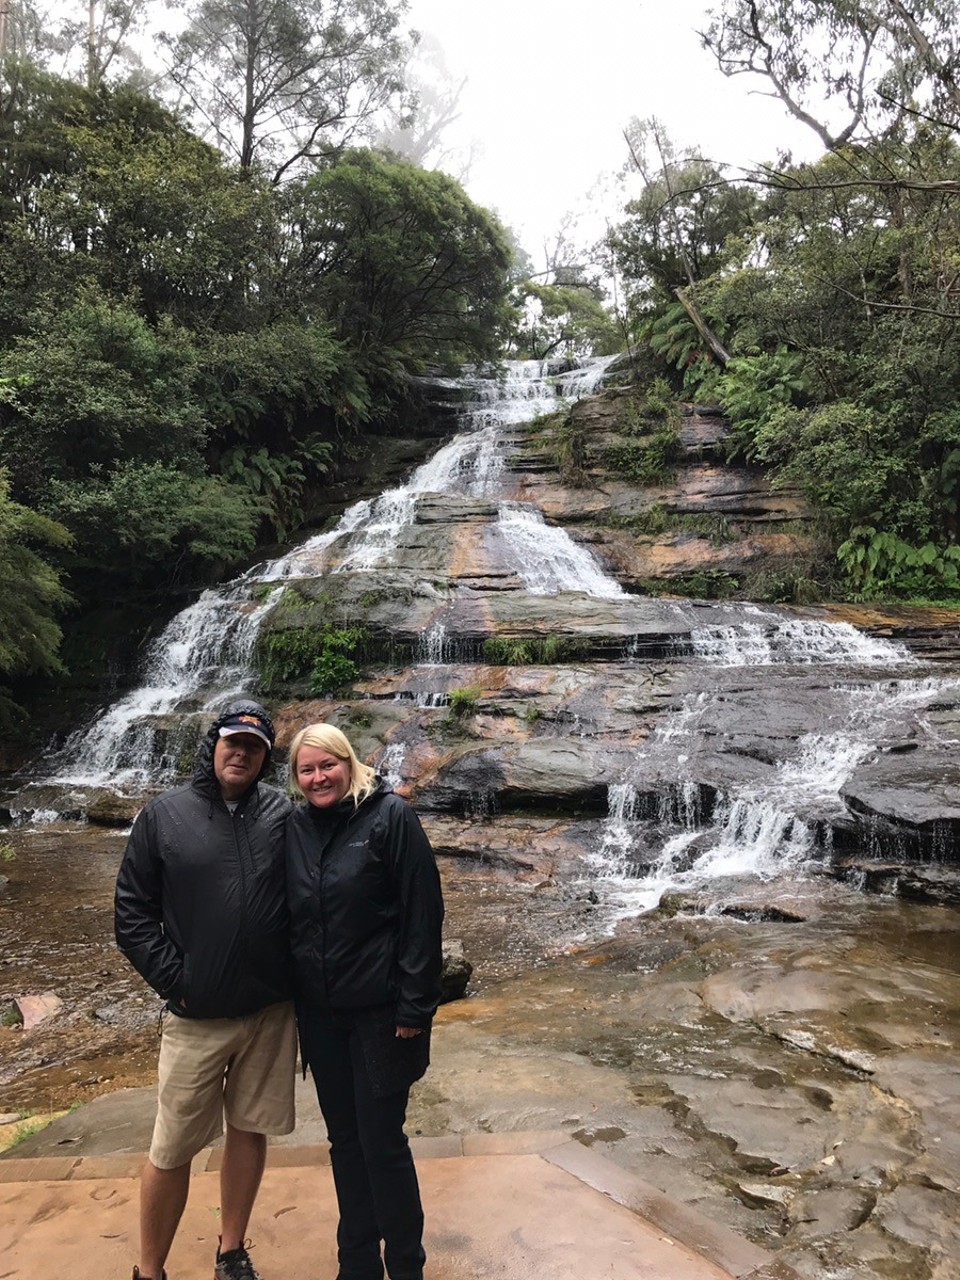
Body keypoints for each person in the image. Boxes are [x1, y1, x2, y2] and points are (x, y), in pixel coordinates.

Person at [114, 699, 296, 1280]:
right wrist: (177, 980)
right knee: (171, 1148)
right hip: (196, 1016)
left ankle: (231, 1249)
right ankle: (149, 1268)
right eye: (232, 741)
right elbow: (132, 914)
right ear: (213, 744)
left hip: (269, 1012)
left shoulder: (283, 814)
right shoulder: (164, 816)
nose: (240, 752)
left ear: (266, 757)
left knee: (249, 1130)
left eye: (254, 746)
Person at [286, 723, 444, 1280]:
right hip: (322, 1018)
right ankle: (355, 1265)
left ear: (350, 764)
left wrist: (414, 1009)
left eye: (327, 765)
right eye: (306, 769)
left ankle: (406, 1267)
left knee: (381, 1144)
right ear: (296, 777)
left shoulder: (390, 818)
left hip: (382, 1016)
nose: (318, 777)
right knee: (344, 1143)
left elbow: (423, 916)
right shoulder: (296, 827)